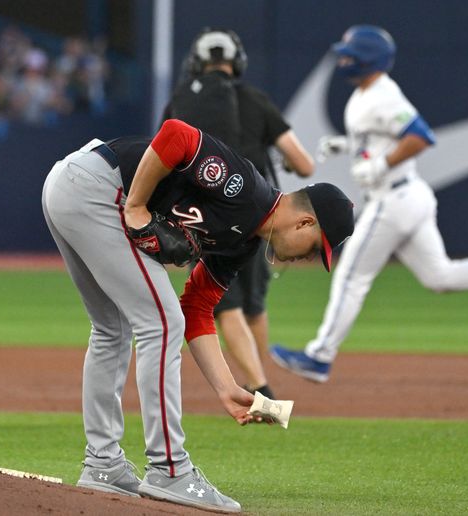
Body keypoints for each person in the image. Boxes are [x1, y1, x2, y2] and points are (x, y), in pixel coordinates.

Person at [41, 118, 353, 512]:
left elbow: (198, 307)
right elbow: (176, 134)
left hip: (74, 188)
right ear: (306, 222)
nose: (310, 257)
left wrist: (226, 387)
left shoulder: (242, 245)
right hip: (98, 187)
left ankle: (103, 465)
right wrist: (136, 207)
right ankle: (170, 469)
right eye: (316, 247)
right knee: (159, 322)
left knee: (112, 329)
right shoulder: (247, 188)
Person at [270, 25, 468, 384]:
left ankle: (319, 356)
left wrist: (381, 164)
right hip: (410, 196)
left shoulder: (382, 95)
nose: (343, 59)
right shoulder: (368, 95)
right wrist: (346, 146)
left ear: (366, 58)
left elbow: (420, 136)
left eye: (348, 53)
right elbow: (380, 138)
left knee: (351, 276)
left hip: (393, 199)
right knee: (440, 275)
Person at [163, 28, 314, 398]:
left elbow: (164, 153)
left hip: (206, 215)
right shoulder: (256, 100)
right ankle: (259, 382)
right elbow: (303, 164)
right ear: (238, 61)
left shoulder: (185, 99)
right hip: (262, 216)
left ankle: (258, 385)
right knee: (254, 305)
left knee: (224, 305)